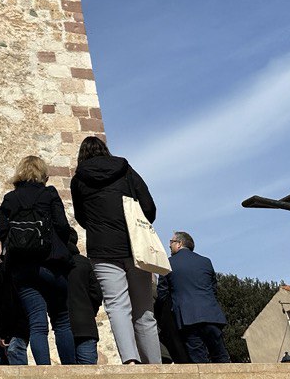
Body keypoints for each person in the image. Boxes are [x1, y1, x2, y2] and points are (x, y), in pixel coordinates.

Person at [69, 135, 161, 364]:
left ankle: (130, 360)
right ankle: (155, 364)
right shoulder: (125, 169)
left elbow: (81, 217)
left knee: (117, 305)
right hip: (134, 245)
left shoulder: (78, 179)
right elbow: (149, 205)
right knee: (144, 310)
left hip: (102, 249)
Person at [0, 154, 76, 365]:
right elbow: (62, 226)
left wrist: (18, 243)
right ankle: (71, 371)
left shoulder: (10, 198)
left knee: (37, 323)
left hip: (23, 269)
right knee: (62, 321)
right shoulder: (49, 194)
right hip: (52, 265)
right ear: (42, 173)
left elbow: (0, 229)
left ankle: (44, 370)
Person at [156, 231, 230, 363]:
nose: (169, 246)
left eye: (171, 243)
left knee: (198, 359)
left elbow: (162, 295)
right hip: (211, 315)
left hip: (187, 318)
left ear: (179, 244)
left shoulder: (167, 264)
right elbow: (213, 288)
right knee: (220, 355)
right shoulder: (206, 261)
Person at [0, 242, 29, 364]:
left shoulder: (9, 274)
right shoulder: (0, 274)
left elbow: (10, 304)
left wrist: (6, 333)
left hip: (13, 334)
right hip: (5, 335)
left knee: (18, 374)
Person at [66, 232, 103, 364]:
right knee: (88, 374)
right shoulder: (84, 263)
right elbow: (97, 294)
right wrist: (89, 311)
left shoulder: (55, 265)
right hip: (86, 326)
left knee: (68, 375)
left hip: (64, 326)